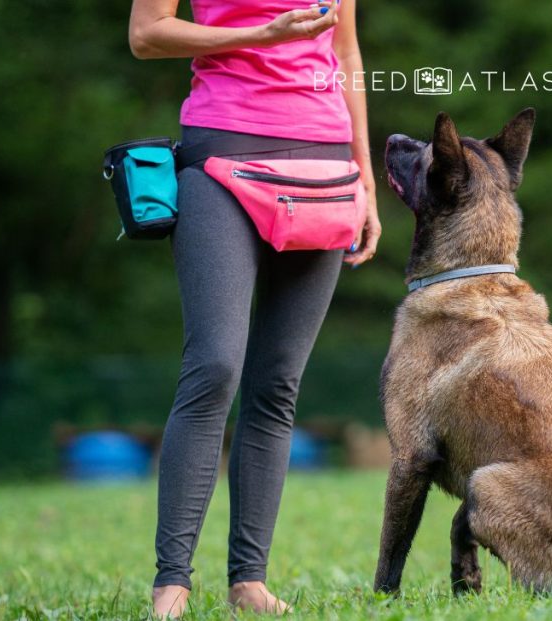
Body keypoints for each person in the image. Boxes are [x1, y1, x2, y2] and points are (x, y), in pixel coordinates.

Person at [127, 0, 380, 616]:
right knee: (214, 366)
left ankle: (249, 581)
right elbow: (146, 34)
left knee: (277, 384)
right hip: (221, 154)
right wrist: (261, 33)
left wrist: (366, 178)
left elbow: (345, 54)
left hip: (324, 164)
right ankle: (172, 582)